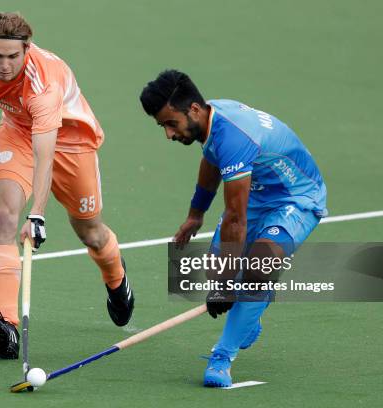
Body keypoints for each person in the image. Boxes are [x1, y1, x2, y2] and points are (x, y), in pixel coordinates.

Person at [0, 12, 134, 359]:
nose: (3, 65)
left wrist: (38, 215)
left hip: (70, 142)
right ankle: (8, 325)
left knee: (90, 232)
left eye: (12, 56)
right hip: (16, 132)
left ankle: (116, 275)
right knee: (3, 218)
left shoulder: (43, 84)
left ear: (26, 50)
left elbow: (44, 157)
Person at [140, 70, 327, 387]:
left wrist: (227, 285)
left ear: (194, 110)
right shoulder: (211, 121)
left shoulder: (234, 137)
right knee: (217, 273)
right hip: (257, 192)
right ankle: (253, 308)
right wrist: (195, 214)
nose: (168, 135)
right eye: (163, 126)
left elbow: (236, 219)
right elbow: (212, 159)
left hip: (294, 198)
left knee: (256, 267)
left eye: (171, 124)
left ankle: (222, 357)